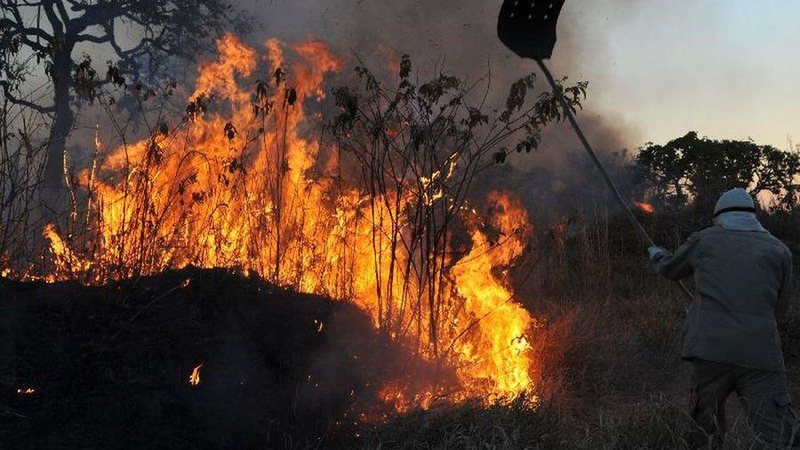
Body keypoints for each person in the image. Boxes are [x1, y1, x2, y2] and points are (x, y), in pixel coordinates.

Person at [648, 188, 798, 448]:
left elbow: (671, 269)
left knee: (705, 430)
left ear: (719, 216)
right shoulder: (779, 250)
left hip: (710, 351)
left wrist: (657, 255)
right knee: (782, 433)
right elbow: (780, 310)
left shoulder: (704, 240)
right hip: (760, 353)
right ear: (753, 215)